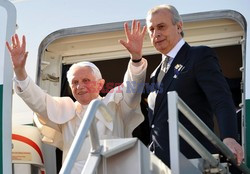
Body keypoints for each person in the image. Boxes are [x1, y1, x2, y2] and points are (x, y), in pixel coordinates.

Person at [6, 25, 147, 174]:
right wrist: (20, 72)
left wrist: (136, 59)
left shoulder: (116, 104)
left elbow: (133, 88)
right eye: (75, 82)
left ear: (100, 84)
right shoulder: (65, 110)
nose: (80, 86)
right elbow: (39, 101)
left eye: (86, 80)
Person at [119, 4, 244, 169]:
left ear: (179, 26)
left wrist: (229, 137)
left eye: (161, 26)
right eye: (151, 29)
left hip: (193, 162)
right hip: (161, 166)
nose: (156, 33)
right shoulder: (155, 74)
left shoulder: (198, 56)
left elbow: (221, 99)